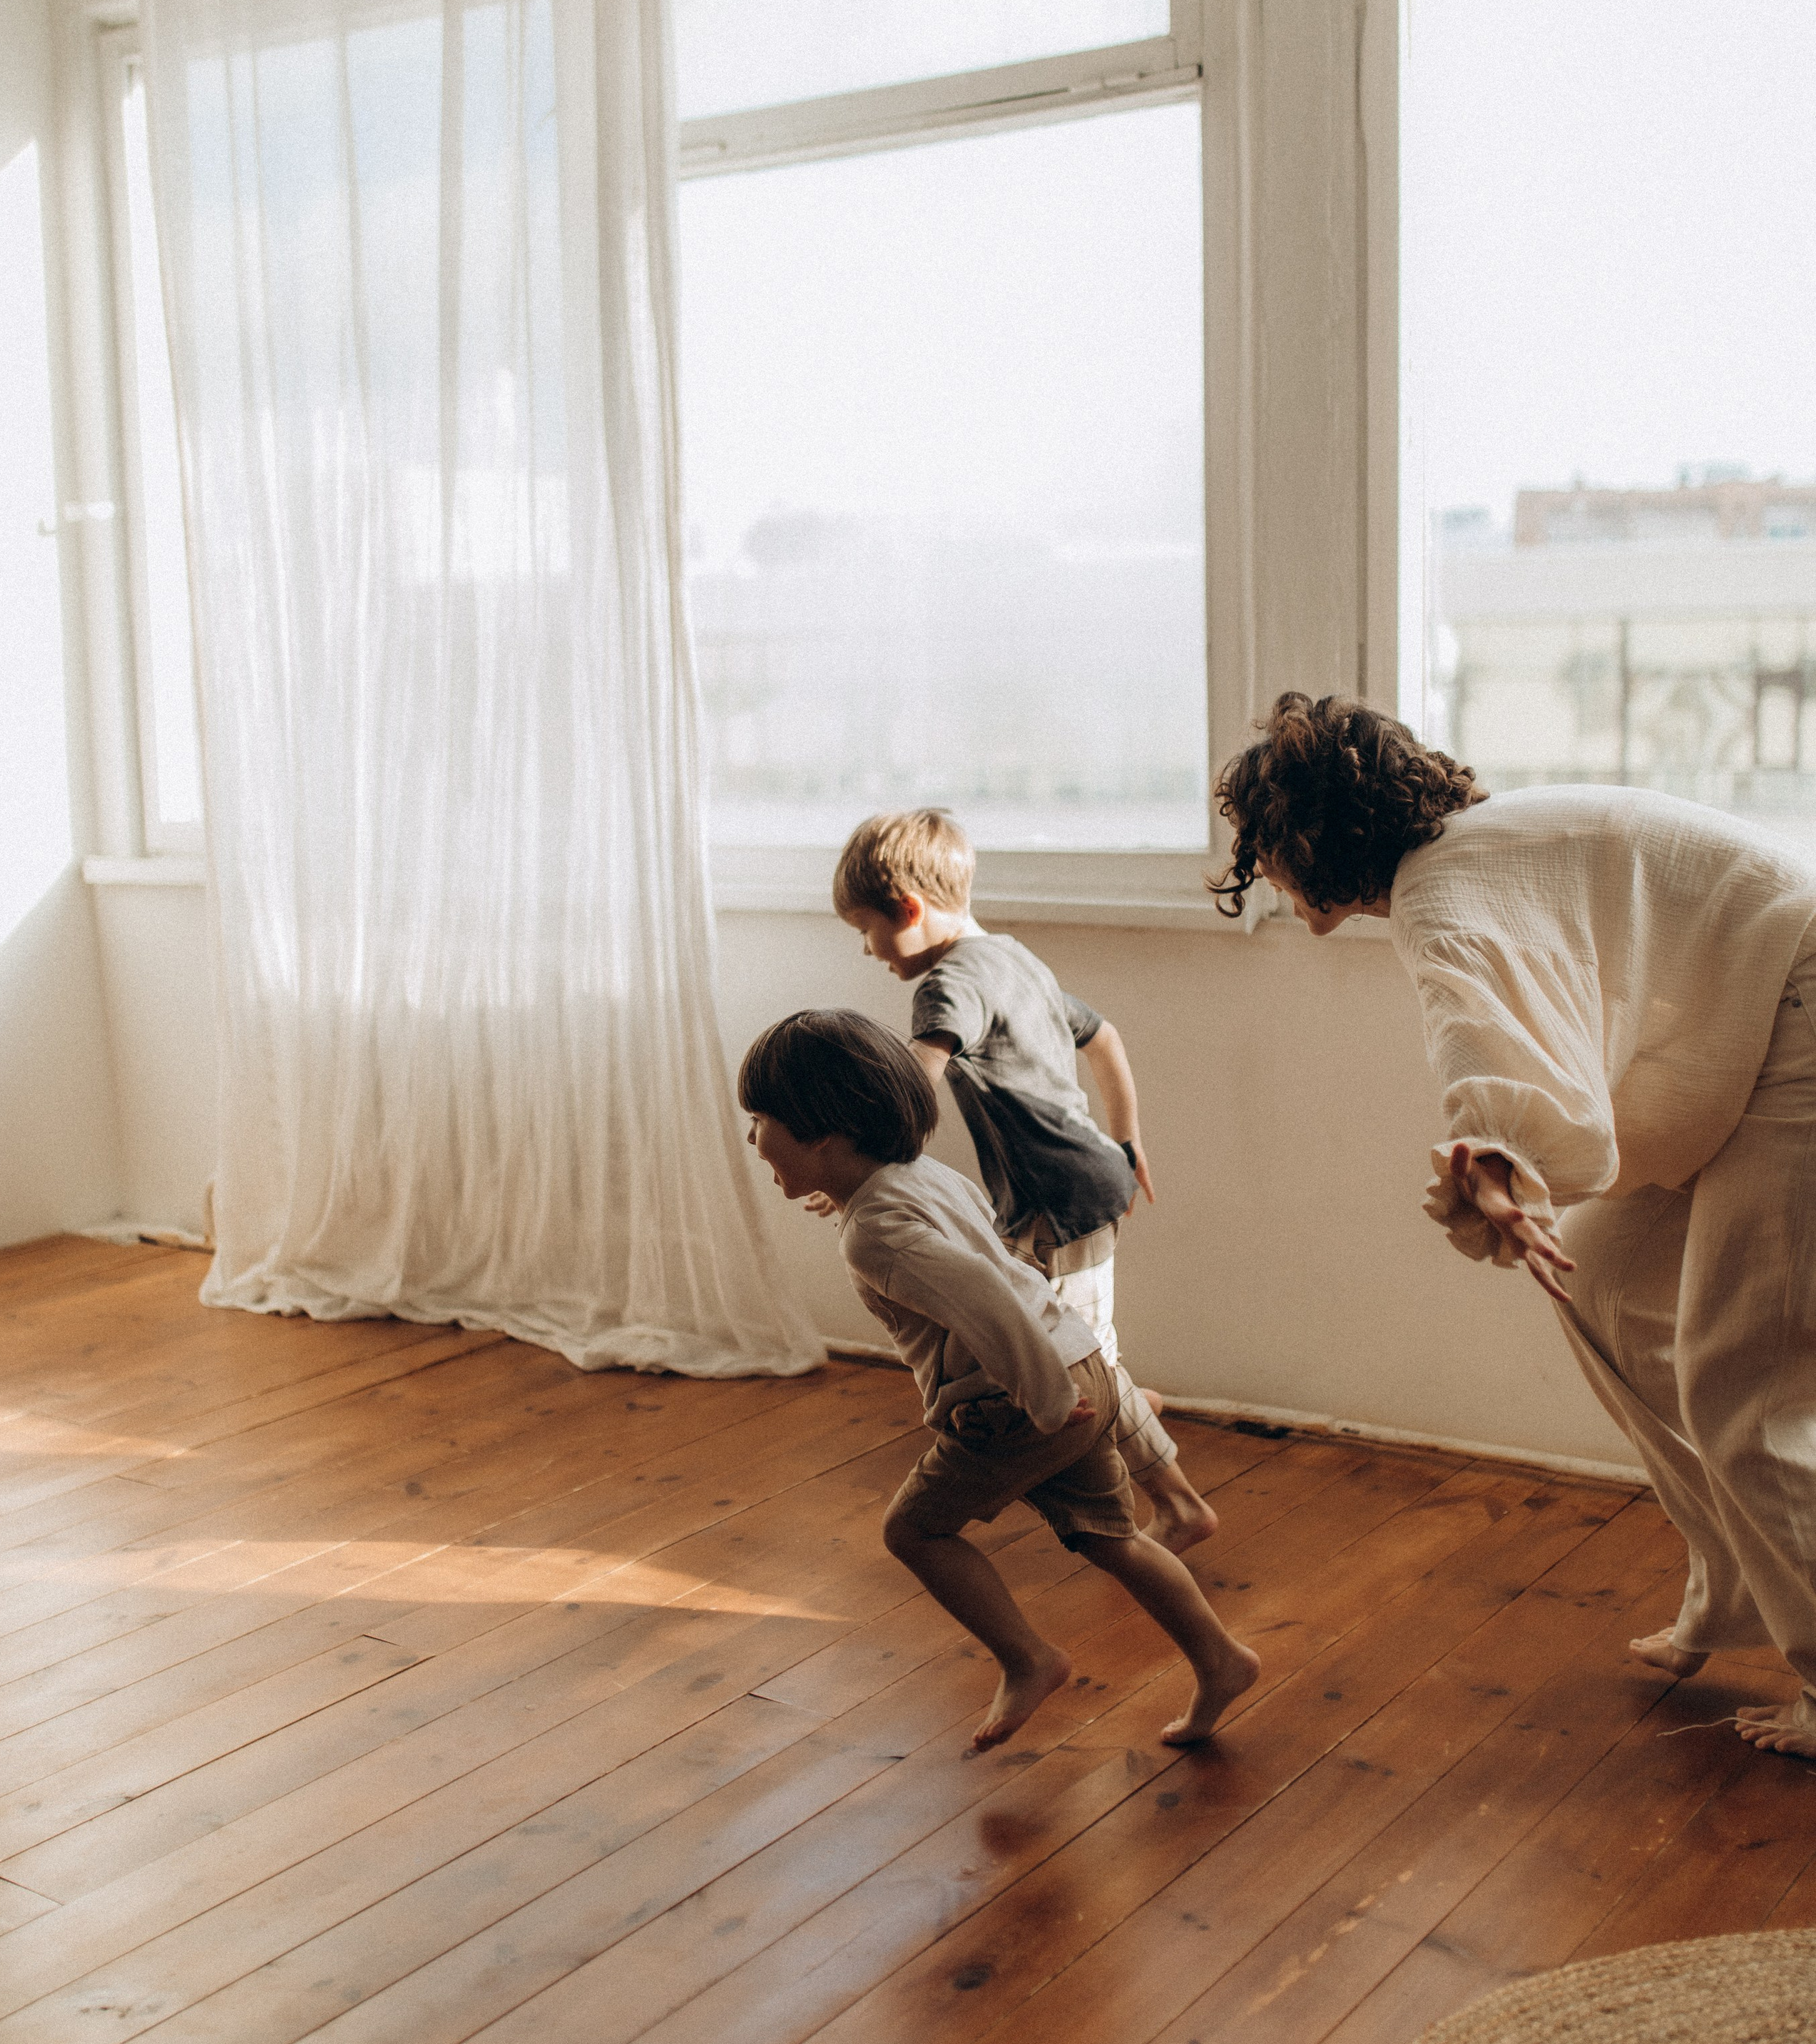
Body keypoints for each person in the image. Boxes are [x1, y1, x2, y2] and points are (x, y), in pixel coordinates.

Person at [1212, 689, 1816, 1761]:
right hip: (1766, 1010)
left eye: (1265, 851)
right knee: (1604, 1282)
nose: (1264, 875)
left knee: (1747, 1385)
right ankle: (1737, 1588)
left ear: (1307, 841)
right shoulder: (1480, 850)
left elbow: (1481, 1037)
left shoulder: (1446, 891)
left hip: (1800, 1013)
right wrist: (1509, 1163)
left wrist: (1494, 1161)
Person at [738, 1008, 1259, 1752]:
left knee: (914, 1530)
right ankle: (1221, 1658)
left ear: (823, 1133)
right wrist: (1065, 1381)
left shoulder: (875, 1232)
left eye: (760, 1120)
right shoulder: (920, 1178)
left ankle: (1029, 1657)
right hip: (1074, 1359)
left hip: (1017, 1400)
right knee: (1111, 1538)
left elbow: (984, 1297)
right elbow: (994, 1264)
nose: (753, 1138)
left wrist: (1048, 1401)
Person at [830, 806, 1217, 1555]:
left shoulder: (947, 987)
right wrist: (1127, 1137)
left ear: (908, 909)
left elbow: (917, 1085)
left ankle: (1177, 1498)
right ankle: (1134, 1415)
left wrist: (858, 1165)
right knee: (1077, 1345)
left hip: (1057, 1195)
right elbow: (1105, 1037)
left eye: (867, 927)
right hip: (1082, 1179)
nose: (868, 948)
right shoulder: (1013, 957)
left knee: (1081, 1355)